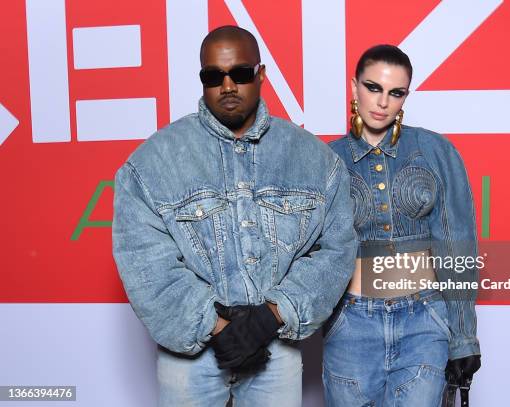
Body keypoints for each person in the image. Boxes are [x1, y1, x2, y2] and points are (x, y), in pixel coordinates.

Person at [112, 25, 356, 407]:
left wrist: (272, 315)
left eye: (240, 73)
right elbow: (145, 261)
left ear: (261, 75)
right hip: (189, 357)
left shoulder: (315, 160)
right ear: (202, 80)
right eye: (214, 77)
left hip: (275, 348)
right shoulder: (151, 164)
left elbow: (337, 248)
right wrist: (215, 326)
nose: (227, 86)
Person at [323, 44, 481, 406]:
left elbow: (456, 246)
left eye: (396, 93)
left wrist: (463, 338)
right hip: (352, 324)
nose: (382, 102)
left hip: (424, 320)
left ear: (405, 96)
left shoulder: (435, 152)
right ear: (354, 88)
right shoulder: (326, 161)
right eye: (373, 87)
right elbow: (315, 254)